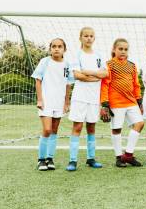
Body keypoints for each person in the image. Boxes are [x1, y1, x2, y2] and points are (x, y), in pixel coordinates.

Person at [66, 27, 107, 172]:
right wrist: (96, 77)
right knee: (77, 127)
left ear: (94, 38)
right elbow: (78, 75)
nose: (88, 38)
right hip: (80, 97)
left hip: (94, 97)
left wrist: (89, 73)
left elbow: (105, 73)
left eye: (91, 36)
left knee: (91, 127)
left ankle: (91, 158)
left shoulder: (99, 55)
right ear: (80, 38)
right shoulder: (76, 55)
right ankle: (73, 160)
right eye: (86, 36)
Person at [100, 38, 144, 167]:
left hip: (131, 102)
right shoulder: (109, 64)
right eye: (120, 49)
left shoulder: (132, 65)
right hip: (116, 102)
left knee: (139, 124)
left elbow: (136, 84)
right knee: (117, 129)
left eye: (125, 49)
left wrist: (139, 99)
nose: (123, 51)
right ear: (114, 50)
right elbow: (105, 85)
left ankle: (128, 155)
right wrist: (104, 103)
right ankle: (119, 157)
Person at [32, 38, 73, 171]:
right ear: (50, 49)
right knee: (47, 130)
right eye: (54, 46)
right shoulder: (45, 62)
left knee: (54, 131)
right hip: (46, 101)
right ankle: (41, 159)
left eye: (59, 46)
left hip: (59, 102)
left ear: (64, 49)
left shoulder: (67, 64)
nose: (56, 48)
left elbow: (68, 84)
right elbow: (38, 80)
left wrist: (67, 102)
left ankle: (50, 158)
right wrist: (40, 99)